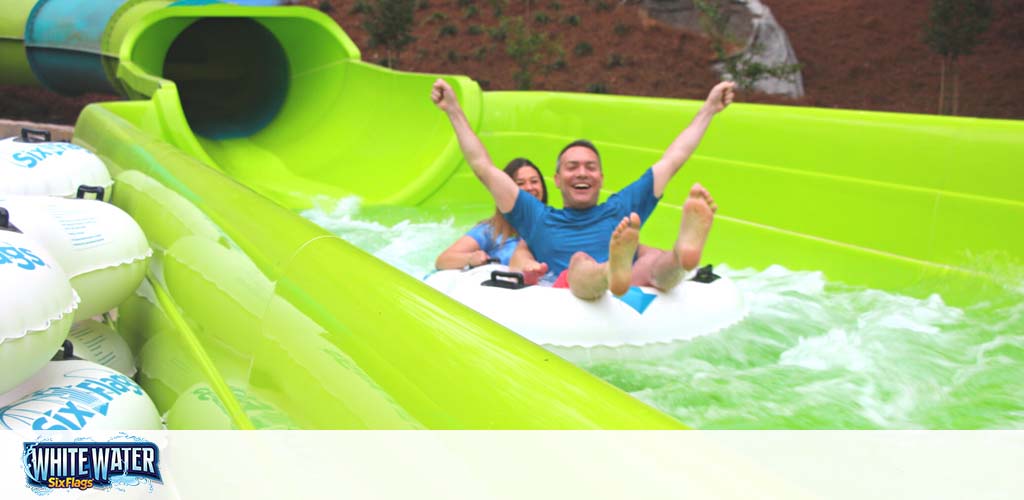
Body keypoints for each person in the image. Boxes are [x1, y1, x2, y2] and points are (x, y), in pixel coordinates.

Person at [431, 78, 734, 300]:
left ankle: (682, 255)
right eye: (572, 166)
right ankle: (611, 269)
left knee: (656, 264)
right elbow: (483, 166)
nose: (582, 172)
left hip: (629, 283)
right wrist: (453, 110)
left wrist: (708, 109)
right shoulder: (536, 216)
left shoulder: (621, 206)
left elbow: (673, 159)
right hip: (573, 287)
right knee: (580, 263)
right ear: (558, 180)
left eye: (590, 167)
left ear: (601, 178)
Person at [435, 158, 548, 270]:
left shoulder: (554, 224)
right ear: (505, 191)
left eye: (534, 181)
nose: (529, 187)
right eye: (520, 183)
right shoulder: (491, 231)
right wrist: (470, 258)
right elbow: (443, 260)